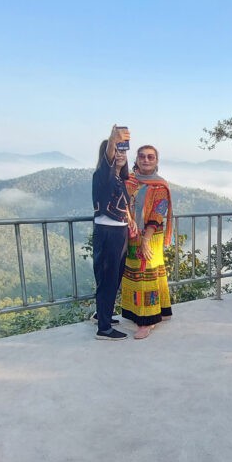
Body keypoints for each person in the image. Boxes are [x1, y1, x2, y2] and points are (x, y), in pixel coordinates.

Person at [121, 145, 173, 339]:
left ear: (156, 161)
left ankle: (147, 321)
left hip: (151, 236)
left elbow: (157, 215)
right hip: (132, 233)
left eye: (150, 157)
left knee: (147, 273)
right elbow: (122, 204)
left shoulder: (160, 185)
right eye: (142, 156)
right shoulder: (130, 181)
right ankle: (161, 311)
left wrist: (145, 240)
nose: (146, 160)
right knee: (137, 273)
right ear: (137, 159)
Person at [91, 125, 135, 341]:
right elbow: (108, 160)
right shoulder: (102, 176)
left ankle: (102, 315)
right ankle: (104, 329)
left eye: (123, 151)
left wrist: (130, 221)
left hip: (119, 233)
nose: (120, 155)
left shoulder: (119, 179)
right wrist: (113, 140)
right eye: (116, 151)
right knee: (108, 278)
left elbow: (123, 205)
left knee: (113, 277)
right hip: (108, 232)